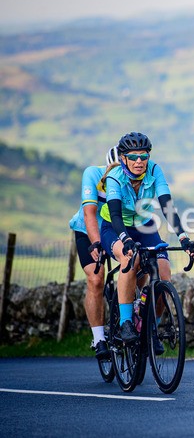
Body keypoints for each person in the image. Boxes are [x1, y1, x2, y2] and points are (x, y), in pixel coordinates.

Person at [99, 132, 194, 345]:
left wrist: (183, 237)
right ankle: (125, 323)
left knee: (163, 273)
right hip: (115, 227)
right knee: (129, 260)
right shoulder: (115, 177)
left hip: (144, 225)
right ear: (123, 158)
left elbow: (167, 206)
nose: (139, 161)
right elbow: (115, 215)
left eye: (144, 156)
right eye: (133, 157)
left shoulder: (154, 171)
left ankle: (151, 329)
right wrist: (125, 239)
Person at [68, 146, 120, 359]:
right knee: (96, 279)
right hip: (87, 231)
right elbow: (90, 214)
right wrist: (96, 243)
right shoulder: (92, 173)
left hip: (114, 230)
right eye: (113, 169)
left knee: (137, 265)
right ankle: (98, 338)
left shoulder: (133, 178)